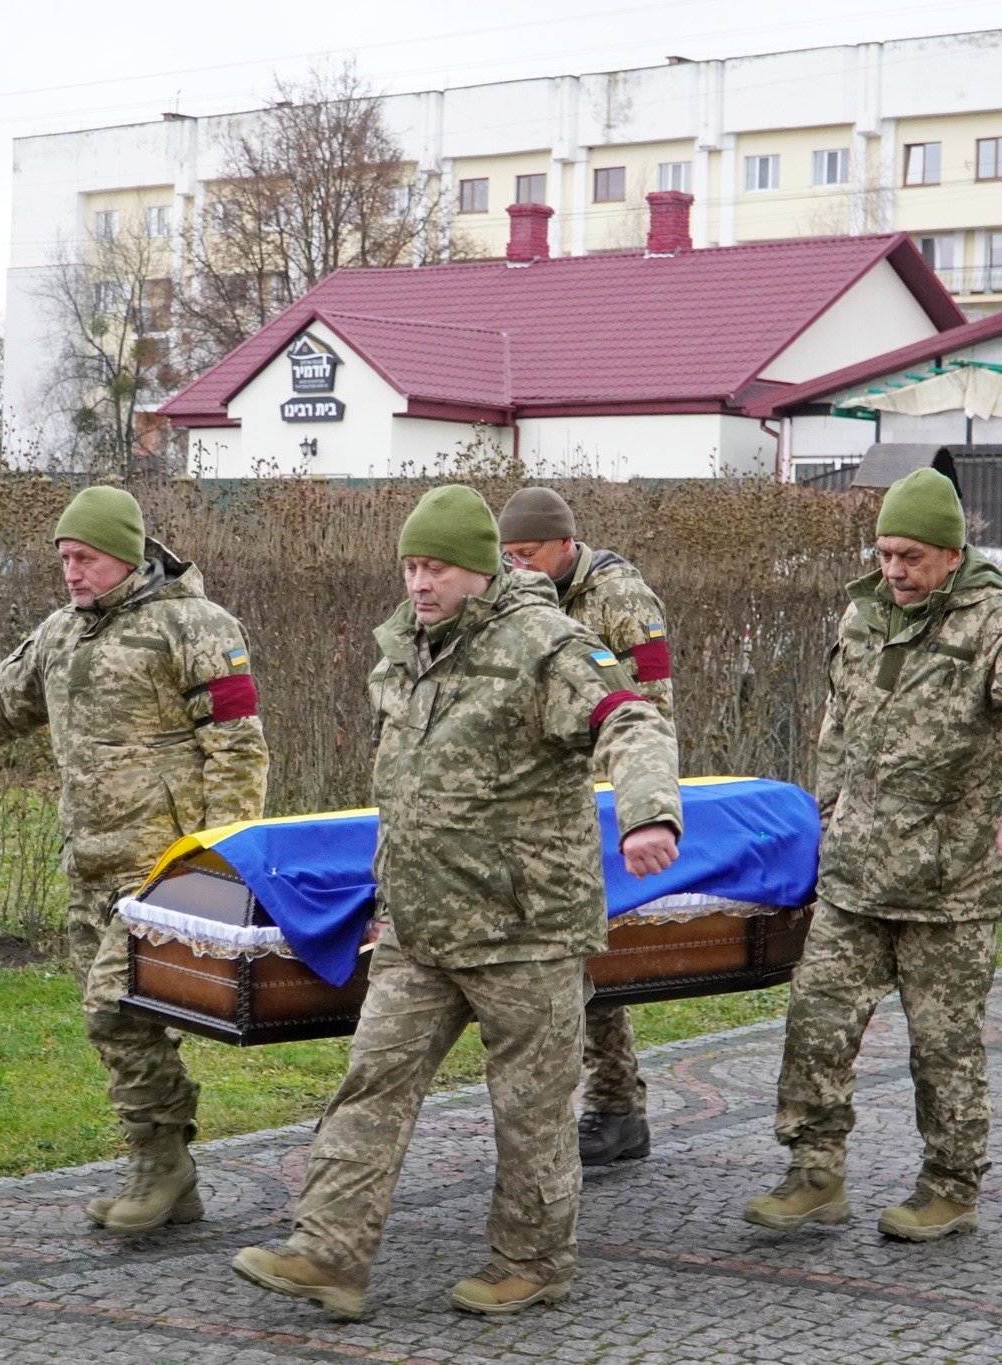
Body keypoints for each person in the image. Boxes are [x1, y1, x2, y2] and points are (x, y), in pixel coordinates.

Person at [231, 485, 682, 1321]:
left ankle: (531, 1261)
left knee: (530, 1110)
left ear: (479, 569)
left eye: (435, 567)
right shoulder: (406, 648)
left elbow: (632, 719)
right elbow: (405, 787)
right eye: (410, 566)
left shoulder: (547, 645)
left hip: (524, 928)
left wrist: (649, 813)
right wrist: (387, 888)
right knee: (371, 1083)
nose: (419, 582)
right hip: (422, 925)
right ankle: (328, 1251)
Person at [0, 486, 268, 1232]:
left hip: (164, 870)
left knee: (111, 1008)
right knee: (128, 1022)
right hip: (88, 864)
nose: (71, 572)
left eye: (85, 557)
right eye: (63, 558)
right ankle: (167, 1169)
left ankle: (161, 1164)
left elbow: (237, 747)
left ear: (125, 554)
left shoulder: (197, 626)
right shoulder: (61, 633)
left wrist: (221, 859)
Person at [745, 468, 1002, 1243]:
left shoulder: (997, 624)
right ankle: (815, 1172)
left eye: (911, 557)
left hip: (948, 885)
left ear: (953, 554)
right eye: (885, 553)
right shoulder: (863, 614)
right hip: (855, 874)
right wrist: (826, 816)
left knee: (944, 1046)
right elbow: (838, 726)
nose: (894, 569)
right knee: (816, 1023)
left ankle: (950, 1186)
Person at [497, 486, 675, 1167]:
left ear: (567, 545)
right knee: (579, 963)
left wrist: (631, 803)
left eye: (528, 554)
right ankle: (616, 1107)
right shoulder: (516, 596)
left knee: (592, 960)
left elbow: (650, 707)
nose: (518, 567)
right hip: (540, 796)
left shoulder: (621, 598)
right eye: (508, 556)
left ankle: (614, 1106)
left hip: (607, 791)